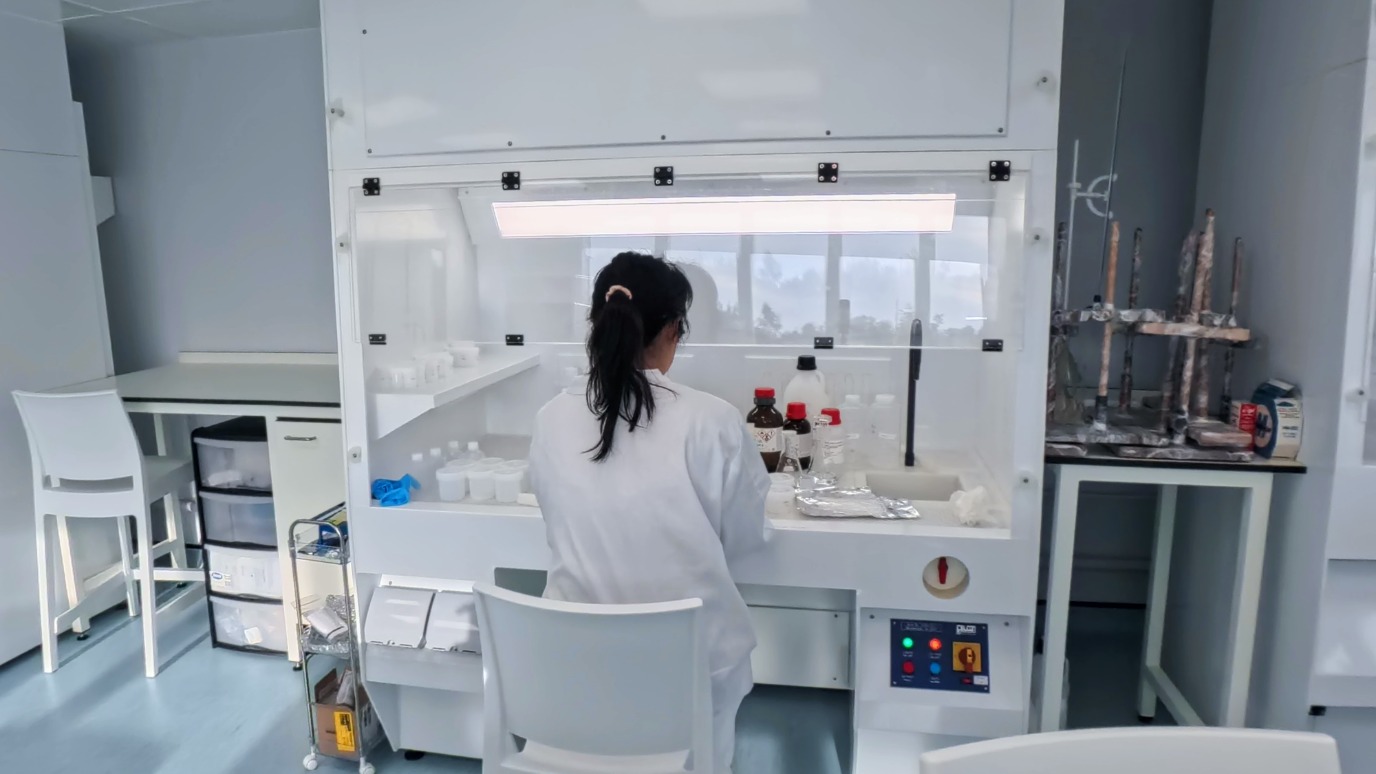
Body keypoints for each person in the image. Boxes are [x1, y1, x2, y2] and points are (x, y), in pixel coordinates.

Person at [529, 250, 770, 772]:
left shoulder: (550, 420)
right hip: (692, 682)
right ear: (672, 331)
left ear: (597, 326)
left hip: (574, 674)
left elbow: (553, 518)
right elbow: (747, 545)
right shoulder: (714, 421)